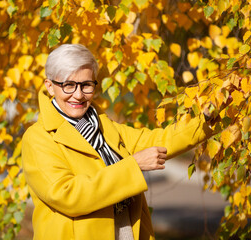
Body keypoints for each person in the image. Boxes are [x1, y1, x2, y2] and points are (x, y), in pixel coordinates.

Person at [21, 44, 214, 240]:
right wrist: (134, 166)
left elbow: (159, 139)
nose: (78, 95)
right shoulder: (38, 138)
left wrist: (208, 117)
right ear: (49, 86)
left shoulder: (103, 125)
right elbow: (68, 196)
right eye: (68, 85)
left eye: (86, 85)